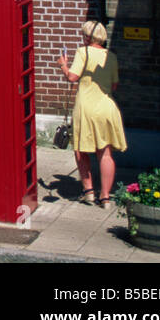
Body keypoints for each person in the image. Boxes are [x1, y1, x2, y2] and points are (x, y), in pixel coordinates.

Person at [58, 20, 127, 208]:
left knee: (81, 150)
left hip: (86, 107)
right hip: (107, 107)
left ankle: (89, 192)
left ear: (88, 37)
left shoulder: (83, 51)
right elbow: (114, 85)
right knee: (105, 153)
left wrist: (63, 65)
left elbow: (72, 77)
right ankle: (105, 197)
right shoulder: (111, 56)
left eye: (83, 34)